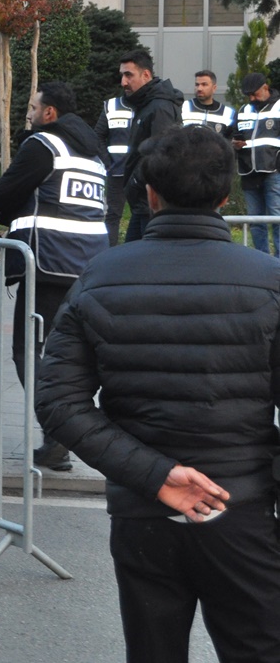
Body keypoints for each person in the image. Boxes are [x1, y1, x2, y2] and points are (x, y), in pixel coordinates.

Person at [36, 124, 280, 663]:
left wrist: (155, 476)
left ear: (149, 193)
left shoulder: (100, 275)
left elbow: (58, 404)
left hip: (144, 509)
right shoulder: (269, 279)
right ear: (226, 195)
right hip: (241, 506)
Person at [0, 81, 109, 471]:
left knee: (28, 352)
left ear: (49, 112)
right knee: (68, 357)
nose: (29, 112)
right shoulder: (93, 154)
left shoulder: (43, 146)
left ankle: (57, 436)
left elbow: (5, 194)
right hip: (88, 268)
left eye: (33, 106)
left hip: (48, 265)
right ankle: (65, 434)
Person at [119, 50, 183, 242]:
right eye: (122, 75)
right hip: (142, 203)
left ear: (146, 75)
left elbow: (161, 153)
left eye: (128, 75)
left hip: (151, 204)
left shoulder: (160, 107)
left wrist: (136, 182)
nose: (123, 82)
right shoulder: (146, 104)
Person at [232, 71, 280, 255]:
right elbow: (237, 135)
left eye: (254, 94)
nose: (251, 98)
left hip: (273, 171)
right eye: (248, 95)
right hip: (248, 172)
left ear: (265, 88)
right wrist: (236, 144)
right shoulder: (244, 110)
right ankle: (261, 257)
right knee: (255, 220)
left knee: (277, 219)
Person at [94, 93, 134, 246]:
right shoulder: (111, 106)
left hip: (140, 173)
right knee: (113, 215)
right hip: (116, 171)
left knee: (144, 214)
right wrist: (107, 162)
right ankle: (110, 252)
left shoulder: (149, 105)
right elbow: (98, 135)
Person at [181, 69, 235, 135]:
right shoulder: (183, 107)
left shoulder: (228, 113)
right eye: (197, 84)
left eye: (204, 84)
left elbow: (230, 141)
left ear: (214, 88)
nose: (199, 88)